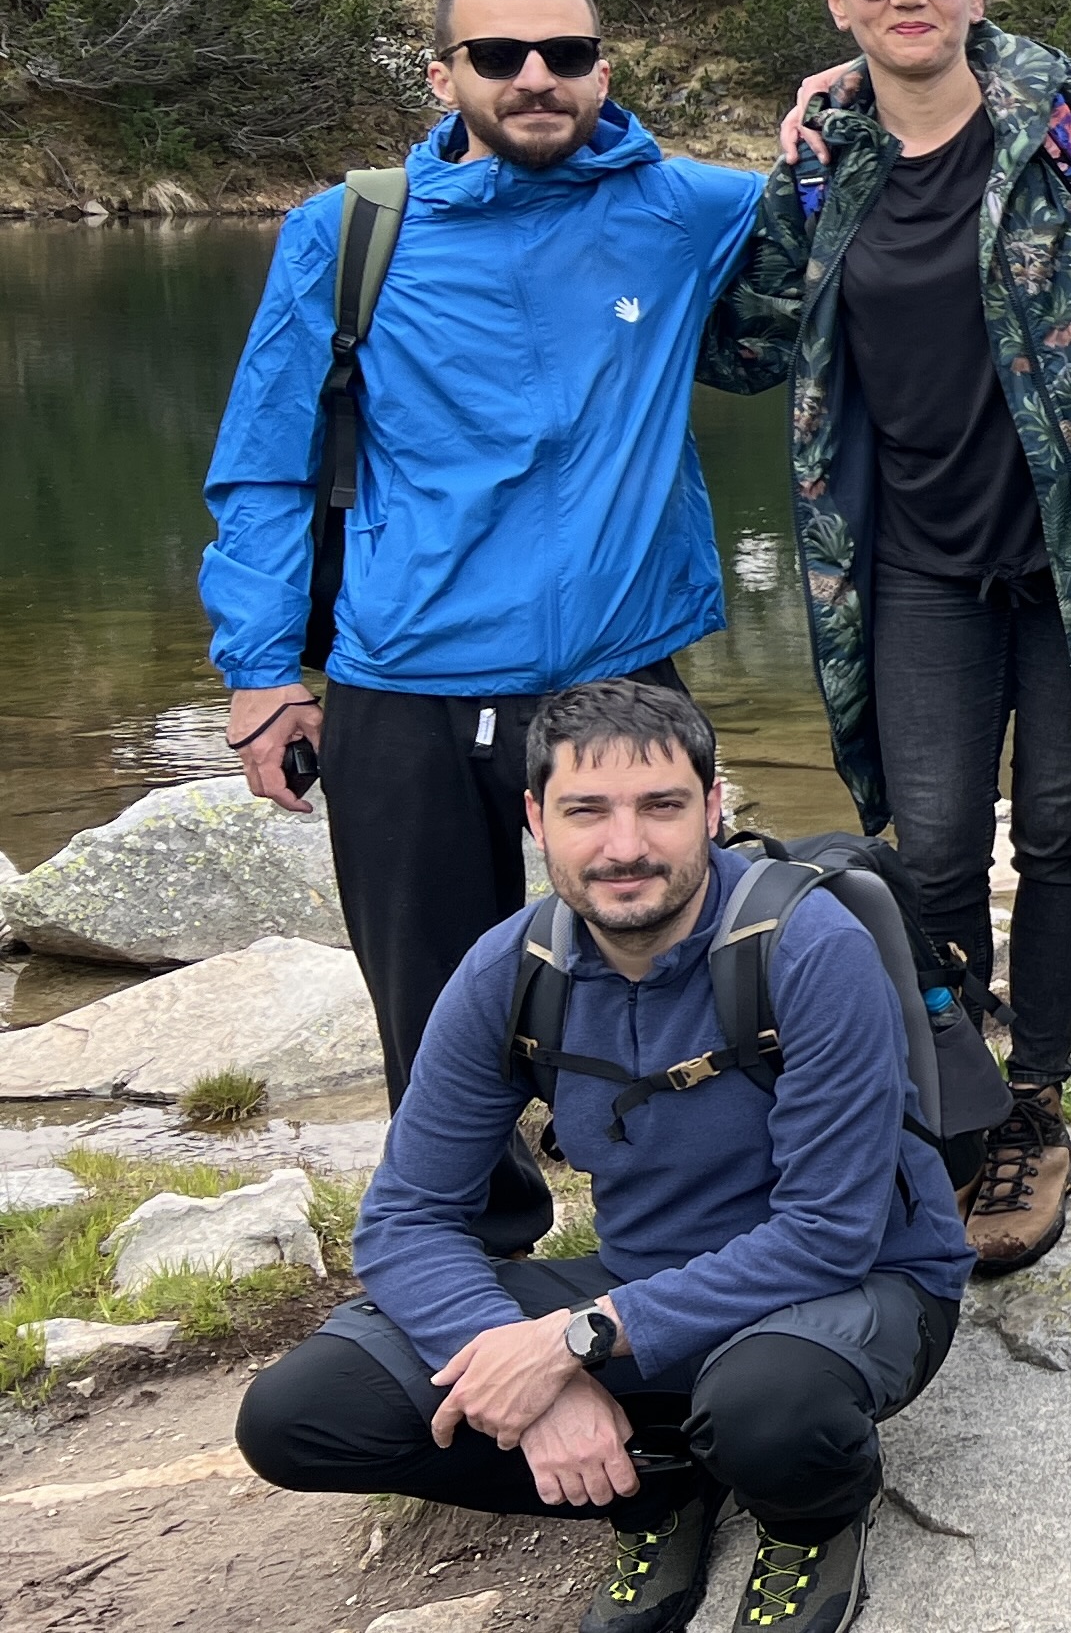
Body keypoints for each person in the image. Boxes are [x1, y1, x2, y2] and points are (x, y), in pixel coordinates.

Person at [203, 0, 762, 1257]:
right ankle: (467, 1253)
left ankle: (684, 1244)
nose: (535, 78)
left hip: (618, 677)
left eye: (564, 55)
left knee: (671, 970)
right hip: (406, 681)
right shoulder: (347, 233)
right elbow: (267, 463)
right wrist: (262, 672)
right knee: (434, 1007)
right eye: (499, 56)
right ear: (442, 75)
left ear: (603, 72)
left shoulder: (686, 209)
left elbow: (875, 195)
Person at [236, 680, 975, 1633]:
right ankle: (654, 1486)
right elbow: (406, 1217)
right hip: (639, 1283)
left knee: (765, 1408)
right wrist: (533, 1381)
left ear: (712, 808)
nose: (625, 847)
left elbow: (829, 1234)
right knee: (299, 1415)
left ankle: (812, 1518)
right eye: (587, 811)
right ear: (536, 818)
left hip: (858, 1283)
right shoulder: (511, 970)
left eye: (661, 806)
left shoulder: (809, 947)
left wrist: (568, 1344)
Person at [711, 0, 1071, 1275]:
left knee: (1067, 831)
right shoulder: (820, 166)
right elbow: (745, 345)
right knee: (936, 847)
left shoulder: (1067, 119)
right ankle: (961, 1103)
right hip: (911, 561)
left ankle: (1040, 1102)